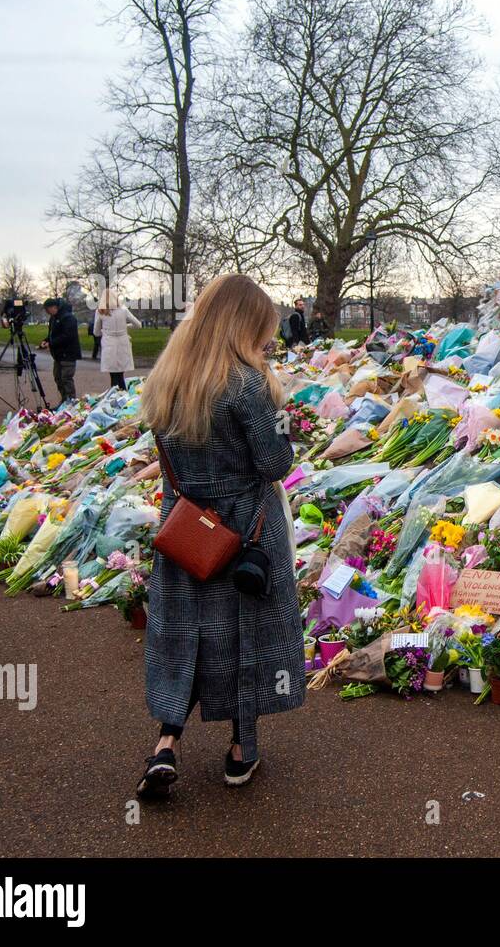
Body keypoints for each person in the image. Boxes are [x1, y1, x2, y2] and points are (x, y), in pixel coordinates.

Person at [135, 272, 302, 798]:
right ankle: (240, 749)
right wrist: (284, 415)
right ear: (245, 325)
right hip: (246, 525)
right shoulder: (251, 385)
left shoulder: (167, 377)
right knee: (246, 633)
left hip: (185, 526)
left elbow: (166, 466)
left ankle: (166, 744)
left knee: (185, 634)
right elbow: (275, 462)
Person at [92, 288, 141, 390]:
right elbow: (138, 325)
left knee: (113, 375)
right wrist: (125, 327)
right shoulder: (123, 310)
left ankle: (114, 398)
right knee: (120, 375)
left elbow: (96, 332)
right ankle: (124, 397)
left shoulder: (100, 312)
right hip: (123, 342)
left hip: (109, 343)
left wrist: (104, 331)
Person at [39, 298, 81, 402]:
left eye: (48, 309)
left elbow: (68, 336)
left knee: (66, 378)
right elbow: (52, 334)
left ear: (54, 307)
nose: (47, 312)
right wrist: (46, 340)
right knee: (58, 378)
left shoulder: (68, 318)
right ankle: (64, 400)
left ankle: (71, 401)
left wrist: (51, 343)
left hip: (68, 353)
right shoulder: (53, 318)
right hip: (58, 354)